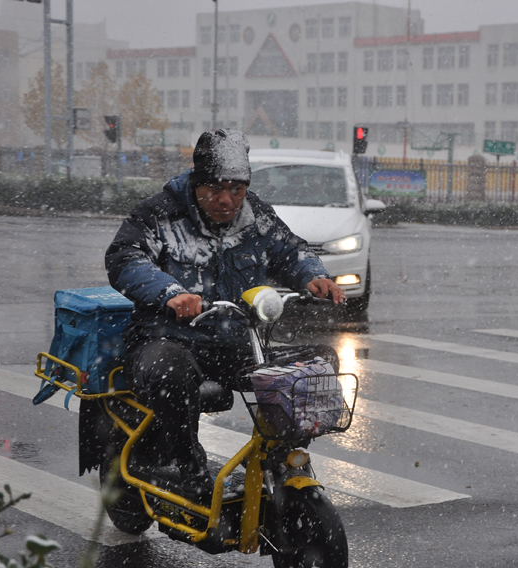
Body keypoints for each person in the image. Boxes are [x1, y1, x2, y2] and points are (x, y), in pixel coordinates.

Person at [106, 129, 344, 496]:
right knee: (173, 370)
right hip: (165, 339)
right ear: (198, 182)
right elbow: (125, 259)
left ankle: (271, 460)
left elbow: (291, 250)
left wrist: (314, 275)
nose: (226, 200)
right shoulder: (160, 214)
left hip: (233, 342)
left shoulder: (256, 216)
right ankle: (185, 466)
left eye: (237, 189)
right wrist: (169, 293)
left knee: (314, 368)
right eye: (215, 189)